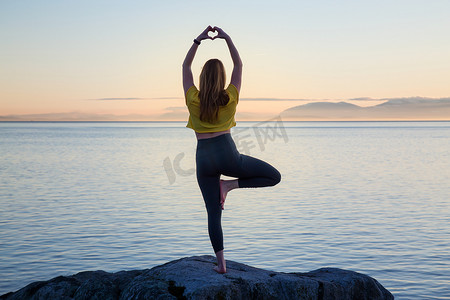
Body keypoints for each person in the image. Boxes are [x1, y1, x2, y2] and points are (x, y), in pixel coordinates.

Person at [182, 26, 281, 274]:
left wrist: (198, 40)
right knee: (274, 176)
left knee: (213, 212)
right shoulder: (231, 97)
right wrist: (227, 39)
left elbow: (185, 68)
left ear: (203, 78)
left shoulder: (193, 98)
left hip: (203, 158)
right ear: (222, 77)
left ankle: (222, 264)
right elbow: (239, 66)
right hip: (228, 155)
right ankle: (229, 185)